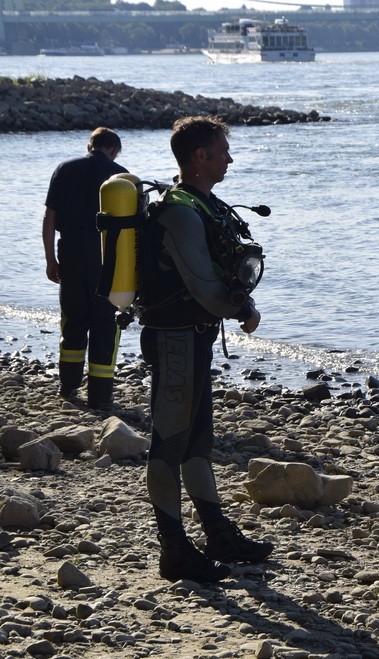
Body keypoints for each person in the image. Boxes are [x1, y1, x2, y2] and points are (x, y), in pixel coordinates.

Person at [138, 116, 273, 583]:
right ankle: (173, 549)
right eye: (223, 150)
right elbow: (203, 285)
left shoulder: (203, 205)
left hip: (193, 337)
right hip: (174, 338)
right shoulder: (179, 211)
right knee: (170, 441)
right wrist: (244, 311)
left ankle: (216, 532)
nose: (229, 158)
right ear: (201, 156)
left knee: (198, 440)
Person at [42, 127, 127, 409]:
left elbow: (49, 217)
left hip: (70, 251)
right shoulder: (121, 176)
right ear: (113, 150)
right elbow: (131, 230)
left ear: (89, 145)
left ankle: (68, 386)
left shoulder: (64, 169)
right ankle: (100, 397)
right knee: (106, 323)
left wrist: (50, 259)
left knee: (73, 318)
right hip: (107, 256)